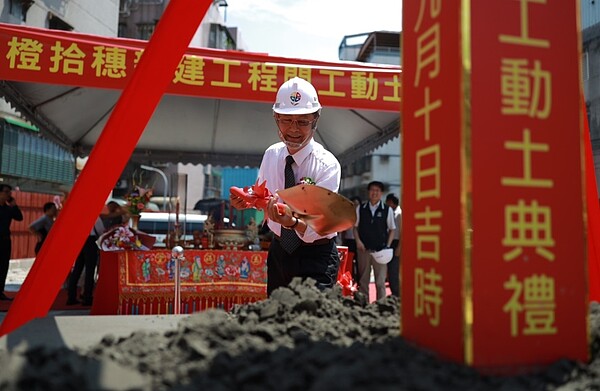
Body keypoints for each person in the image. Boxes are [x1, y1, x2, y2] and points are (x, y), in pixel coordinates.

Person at [230, 77, 342, 296]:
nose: (293, 129)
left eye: (302, 121)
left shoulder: (327, 165)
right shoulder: (271, 155)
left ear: (315, 121)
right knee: (277, 320)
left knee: (311, 322)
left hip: (316, 256)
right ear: (276, 118)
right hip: (280, 251)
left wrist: (291, 222)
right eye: (286, 120)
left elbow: (322, 225)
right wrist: (248, 200)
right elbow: (264, 195)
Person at [354, 181, 396, 302]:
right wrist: (358, 241)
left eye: (377, 191)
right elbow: (355, 227)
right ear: (368, 192)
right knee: (363, 281)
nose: (374, 193)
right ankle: (363, 307)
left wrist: (387, 246)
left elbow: (392, 229)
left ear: (381, 193)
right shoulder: (361, 209)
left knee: (380, 282)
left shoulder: (387, 210)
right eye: (372, 190)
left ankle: (381, 307)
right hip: (364, 250)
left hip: (381, 252)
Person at [66, 215, 105, 306]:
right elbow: (101, 231)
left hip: (79, 240)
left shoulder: (77, 216)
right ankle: (87, 297)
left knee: (77, 269)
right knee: (90, 270)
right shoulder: (94, 216)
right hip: (90, 241)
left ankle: (71, 296)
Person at [0, 184, 23, 301]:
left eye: (10, 192)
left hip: (5, 240)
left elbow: (19, 218)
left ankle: (0, 291)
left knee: (3, 266)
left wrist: (14, 206)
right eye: (6, 192)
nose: (9, 194)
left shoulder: (8, 209)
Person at [341, 196, 361, 281]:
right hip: (348, 240)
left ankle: (359, 280)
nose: (355, 206)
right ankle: (350, 278)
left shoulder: (362, 214)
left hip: (359, 241)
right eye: (353, 204)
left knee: (359, 262)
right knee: (349, 262)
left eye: (357, 204)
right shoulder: (347, 214)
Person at [385, 193, 402, 297]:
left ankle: (397, 293)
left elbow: (402, 232)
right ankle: (394, 292)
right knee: (389, 270)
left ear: (391, 202)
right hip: (389, 242)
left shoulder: (399, 214)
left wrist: (399, 247)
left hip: (396, 243)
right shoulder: (391, 212)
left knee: (394, 270)